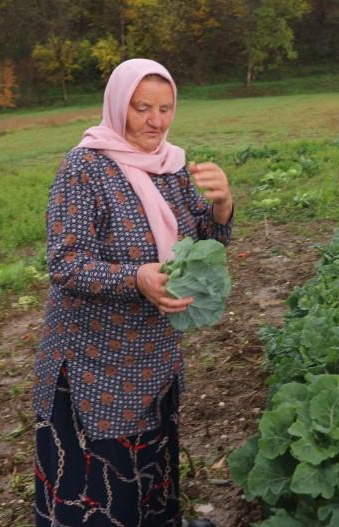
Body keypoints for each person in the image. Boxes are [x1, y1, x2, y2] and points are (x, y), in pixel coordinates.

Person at [33, 58, 233, 527]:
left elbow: (200, 246)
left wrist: (221, 207)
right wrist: (135, 278)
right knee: (101, 474)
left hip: (154, 348)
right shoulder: (84, 168)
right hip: (93, 358)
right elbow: (64, 262)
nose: (156, 121)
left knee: (152, 455)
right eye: (143, 107)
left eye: (165, 108)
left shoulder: (171, 165)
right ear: (118, 105)